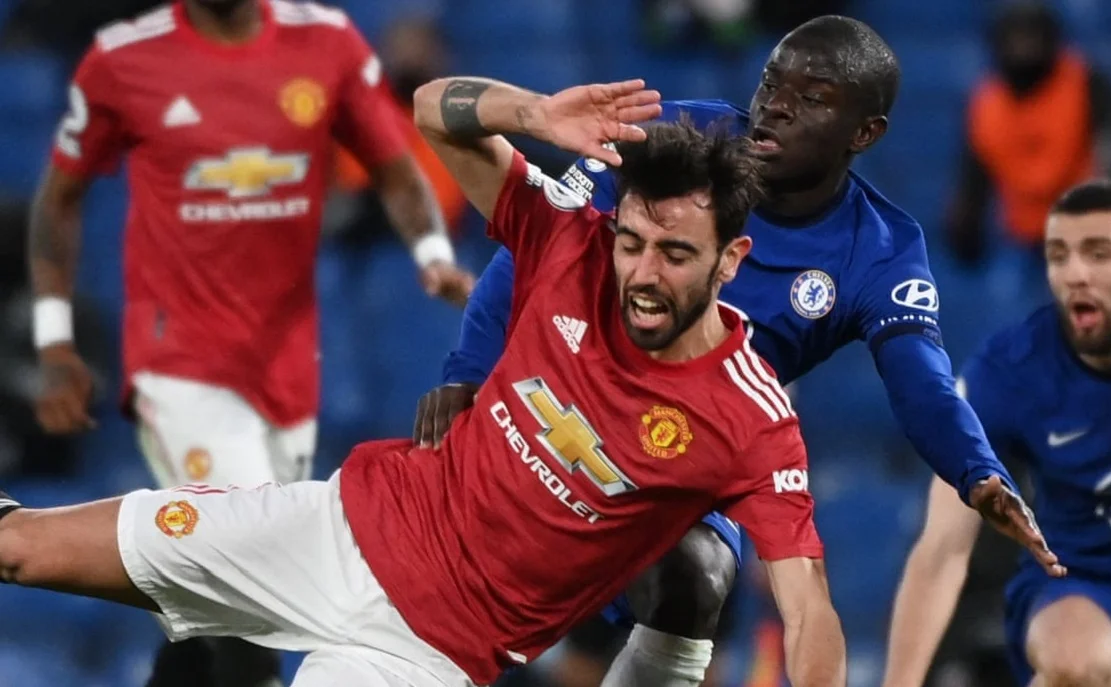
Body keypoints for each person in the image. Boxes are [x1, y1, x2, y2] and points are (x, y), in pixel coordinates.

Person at [0, 77, 849, 687]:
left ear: (731, 259)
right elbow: (431, 111)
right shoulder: (571, 247)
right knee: (22, 546)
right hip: (331, 525)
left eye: (675, 253)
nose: (643, 274)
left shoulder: (748, 418)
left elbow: (809, 612)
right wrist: (535, 115)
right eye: (633, 242)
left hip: (419, 652)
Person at [414, 15, 1061, 686]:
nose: (776, 105)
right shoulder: (681, 137)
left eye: (812, 98)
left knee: (701, 575)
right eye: (772, 83)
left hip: (688, 451)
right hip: (571, 404)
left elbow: (921, 383)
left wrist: (976, 470)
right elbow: (537, 246)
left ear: (864, 133)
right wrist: (469, 372)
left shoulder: (882, 250)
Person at [27, 1, 474, 684]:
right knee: (242, 568)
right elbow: (59, 197)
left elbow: (391, 162)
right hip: (179, 365)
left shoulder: (326, 43)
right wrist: (55, 339)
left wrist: (433, 254)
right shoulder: (125, 59)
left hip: (287, 370)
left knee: (229, 603)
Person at [883, 179, 1111, 687]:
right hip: (1087, 585)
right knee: (1073, 657)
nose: (1076, 274)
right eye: (1058, 256)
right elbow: (942, 549)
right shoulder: (1010, 371)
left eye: (1099, 254)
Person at [945, 0, 1111, 264]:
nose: (1024, 47)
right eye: (1016, 37)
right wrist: (966, 222)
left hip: (1081, 230)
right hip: (1021, 237)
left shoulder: (1085, 83)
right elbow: (975, 171)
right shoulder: (986, 101)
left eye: (1032, 35)